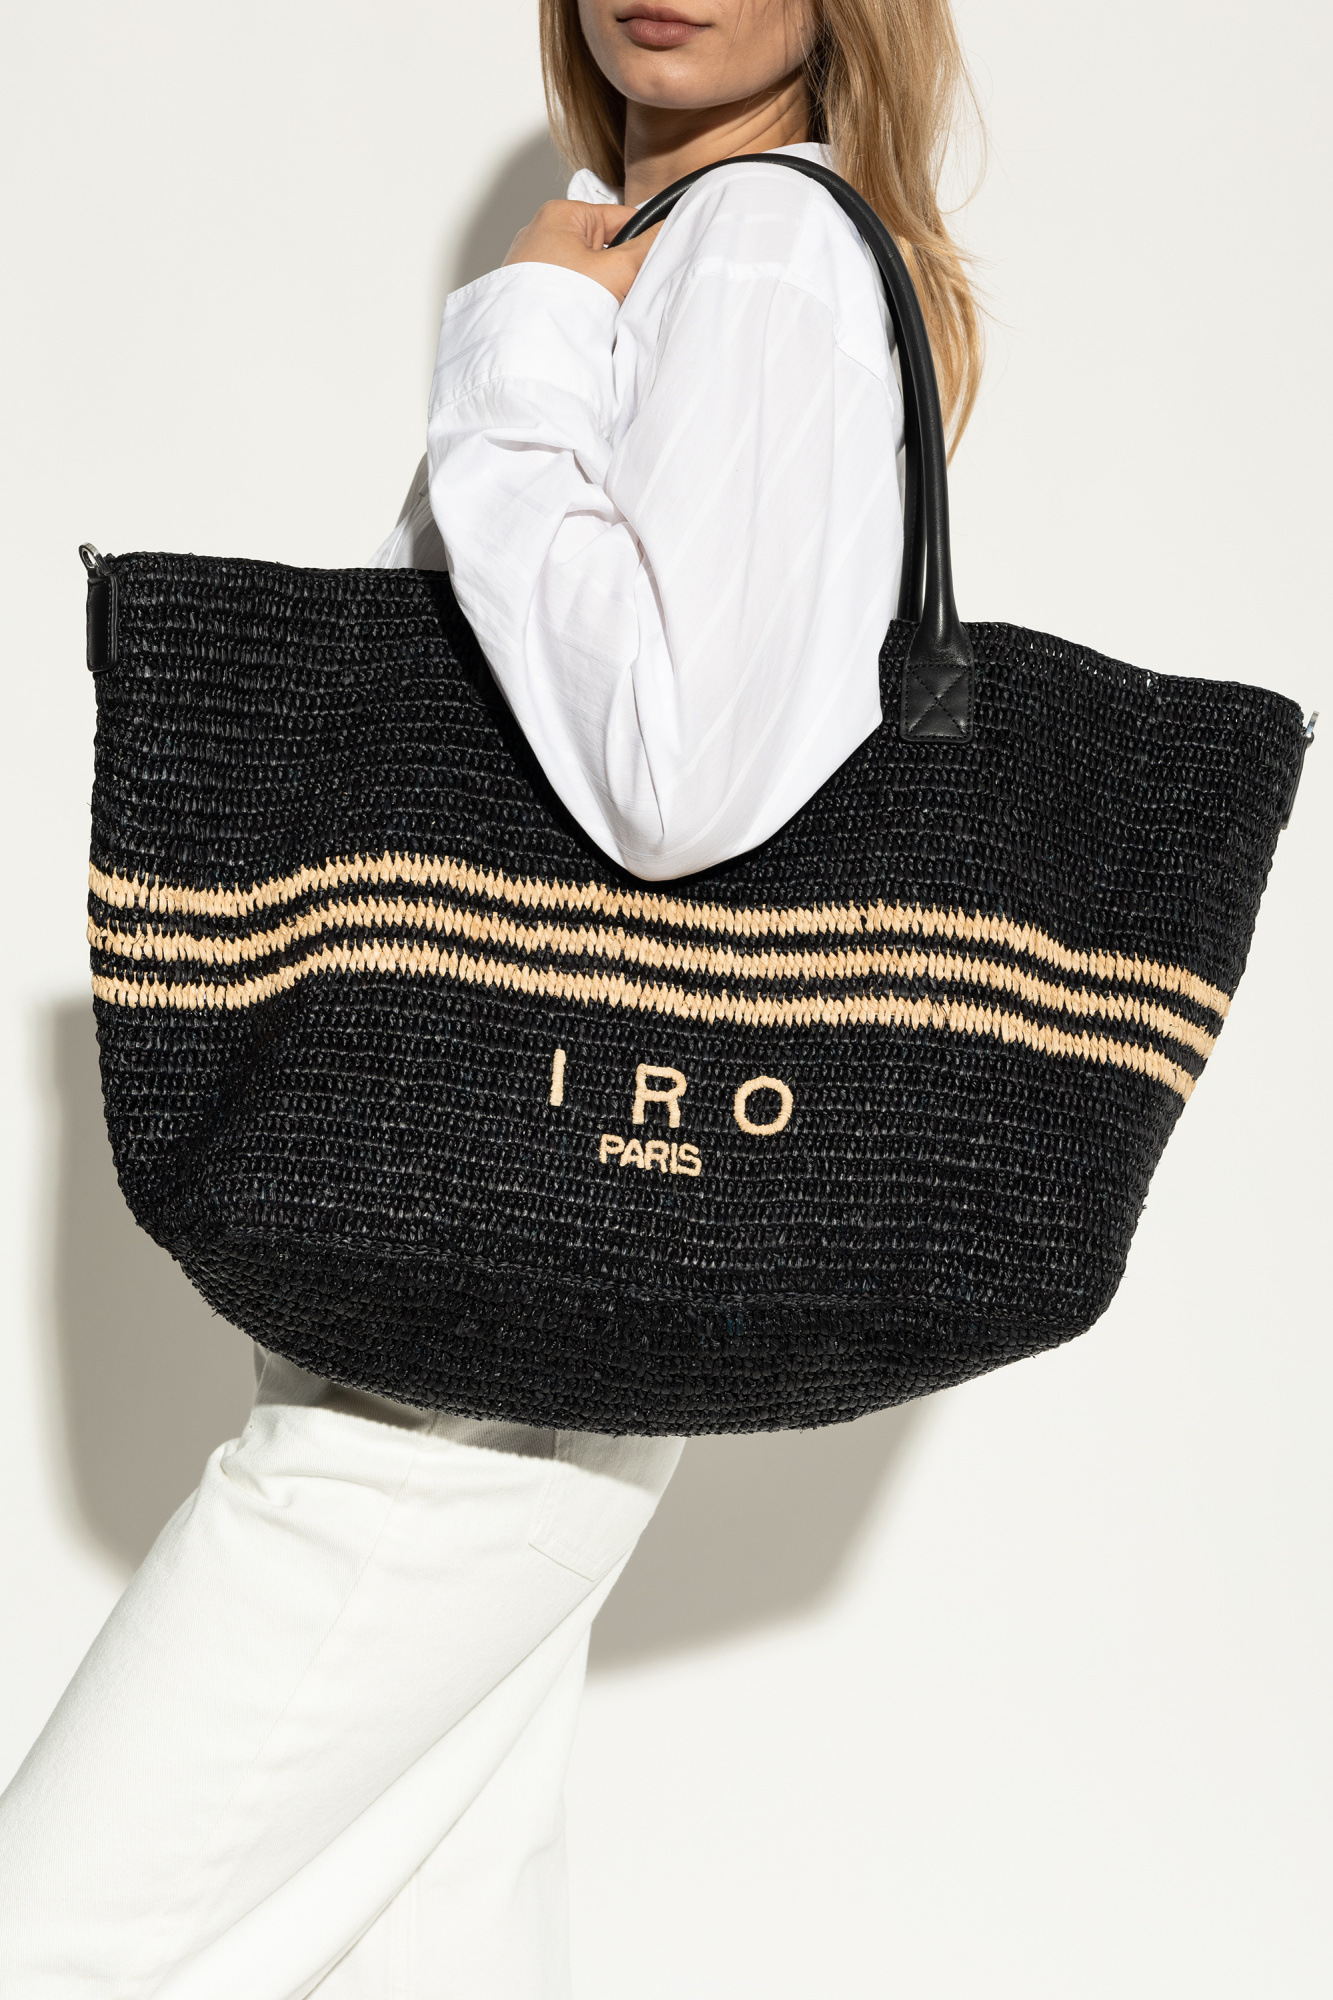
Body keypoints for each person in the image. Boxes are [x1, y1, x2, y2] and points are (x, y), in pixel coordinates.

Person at [0, 2, 981, 1992]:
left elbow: (675, 780)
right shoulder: (691, 240)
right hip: (538, 1213)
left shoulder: (757, 249)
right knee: (437, 1918)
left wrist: (525, 341)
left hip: (501, 1245)